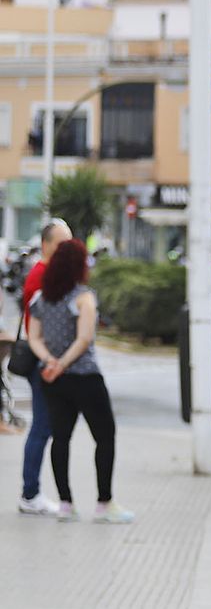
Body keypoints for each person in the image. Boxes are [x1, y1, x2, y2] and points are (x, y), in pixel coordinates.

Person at [25, 238, 132, 523]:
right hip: (85, 377)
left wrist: (50, 361)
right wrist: (64, 362)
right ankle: (103, 503)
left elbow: (34, 337)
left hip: (53, 380)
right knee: (105, 436)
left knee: (61, 438)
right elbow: (84, 339)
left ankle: (65, 504)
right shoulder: (83, 297)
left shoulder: (40, 299)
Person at [17, 218, 70, 515]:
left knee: (44, 427)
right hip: (44, 361)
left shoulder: (49, 274)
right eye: (62, 244)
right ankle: (30, 494)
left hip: (49, 360)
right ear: (46, 245)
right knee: (41, 427)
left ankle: (31, 492)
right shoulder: (41, 277)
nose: (67, 250)